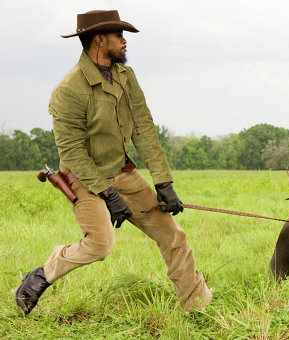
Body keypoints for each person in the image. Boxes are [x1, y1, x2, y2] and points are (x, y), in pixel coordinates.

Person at [15, 10, 211, 315]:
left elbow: (144, 127)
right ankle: (42, 274)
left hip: (124, 174)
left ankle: (197, 307)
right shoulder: (68, 89)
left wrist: (164, 182)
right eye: (118, 36)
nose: (124, 41)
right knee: (100, 244)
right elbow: (72, 154)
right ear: (99, 39)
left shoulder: (125, 76)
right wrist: (108, 193)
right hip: (85, 178)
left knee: (173, 236)